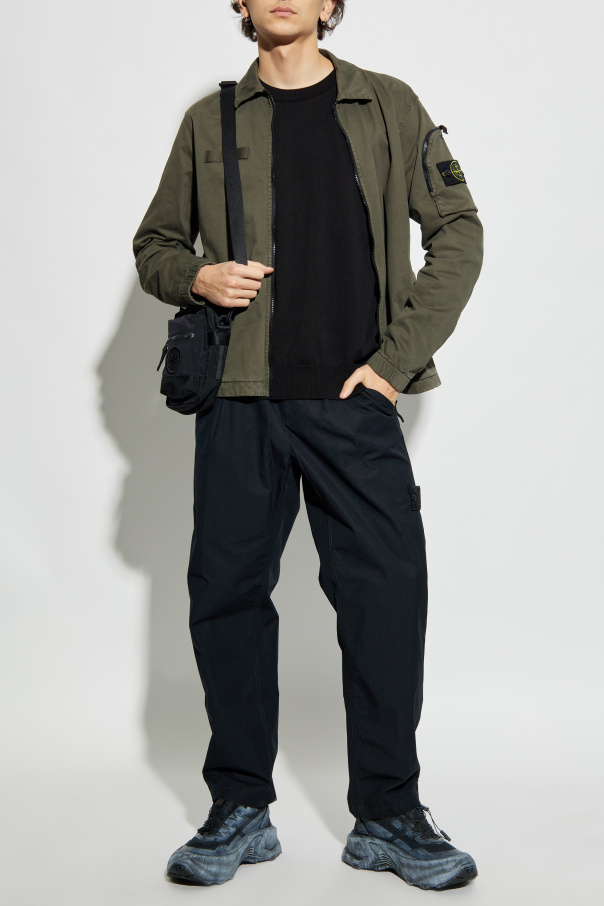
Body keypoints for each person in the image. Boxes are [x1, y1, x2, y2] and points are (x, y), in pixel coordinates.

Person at [132, 0, 484, 892]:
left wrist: (394, 366)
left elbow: (459, 232)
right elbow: (155, 245)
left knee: (385, 599)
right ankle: (240, 807)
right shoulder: (209, 120)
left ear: (331, 5)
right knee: (227, 599)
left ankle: (390, 814)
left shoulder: (389, 104)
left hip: (353, 400)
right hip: (239, 400)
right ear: (240, 5)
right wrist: (198, 275)